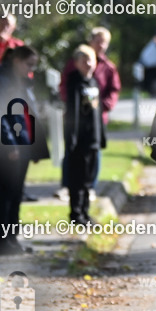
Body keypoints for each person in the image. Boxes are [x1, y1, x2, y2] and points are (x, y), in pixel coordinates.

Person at [0, 46, 49, 255]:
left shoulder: (22, 82)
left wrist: (34, 148)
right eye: (28, 64)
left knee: (16, 194)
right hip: (6, 146)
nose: (31, 69)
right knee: (4, 194)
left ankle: (12, 240)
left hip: (22, 144)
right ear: (16, 61)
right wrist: (9, 144)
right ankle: (1, 243)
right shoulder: (1, 80)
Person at [56, 27, 121, 200]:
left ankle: (89, 187)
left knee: (93, 153)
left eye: (104, 42)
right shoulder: (75, 62)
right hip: (76, 118)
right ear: (91, 41)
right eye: (98, 41)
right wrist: (71, 103)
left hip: (96, 118)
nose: (101, 45)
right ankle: (67, 186)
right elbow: (65, 85)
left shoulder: (108, 67)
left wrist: (103, 106)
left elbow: (113, 89)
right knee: (72, 152)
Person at [62, 45, 105, 225]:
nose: (88, 64)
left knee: (88, 179)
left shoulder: (93, 82)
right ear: (77, 63)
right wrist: (71, 138)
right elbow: (72, 112)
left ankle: (86, 212)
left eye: (91, 60)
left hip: (93, 139)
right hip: (79, 140)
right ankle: (76, 213)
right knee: (77, 179)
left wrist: (101, 136)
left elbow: (98, 111)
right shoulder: (74, 82)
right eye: (84, 61)